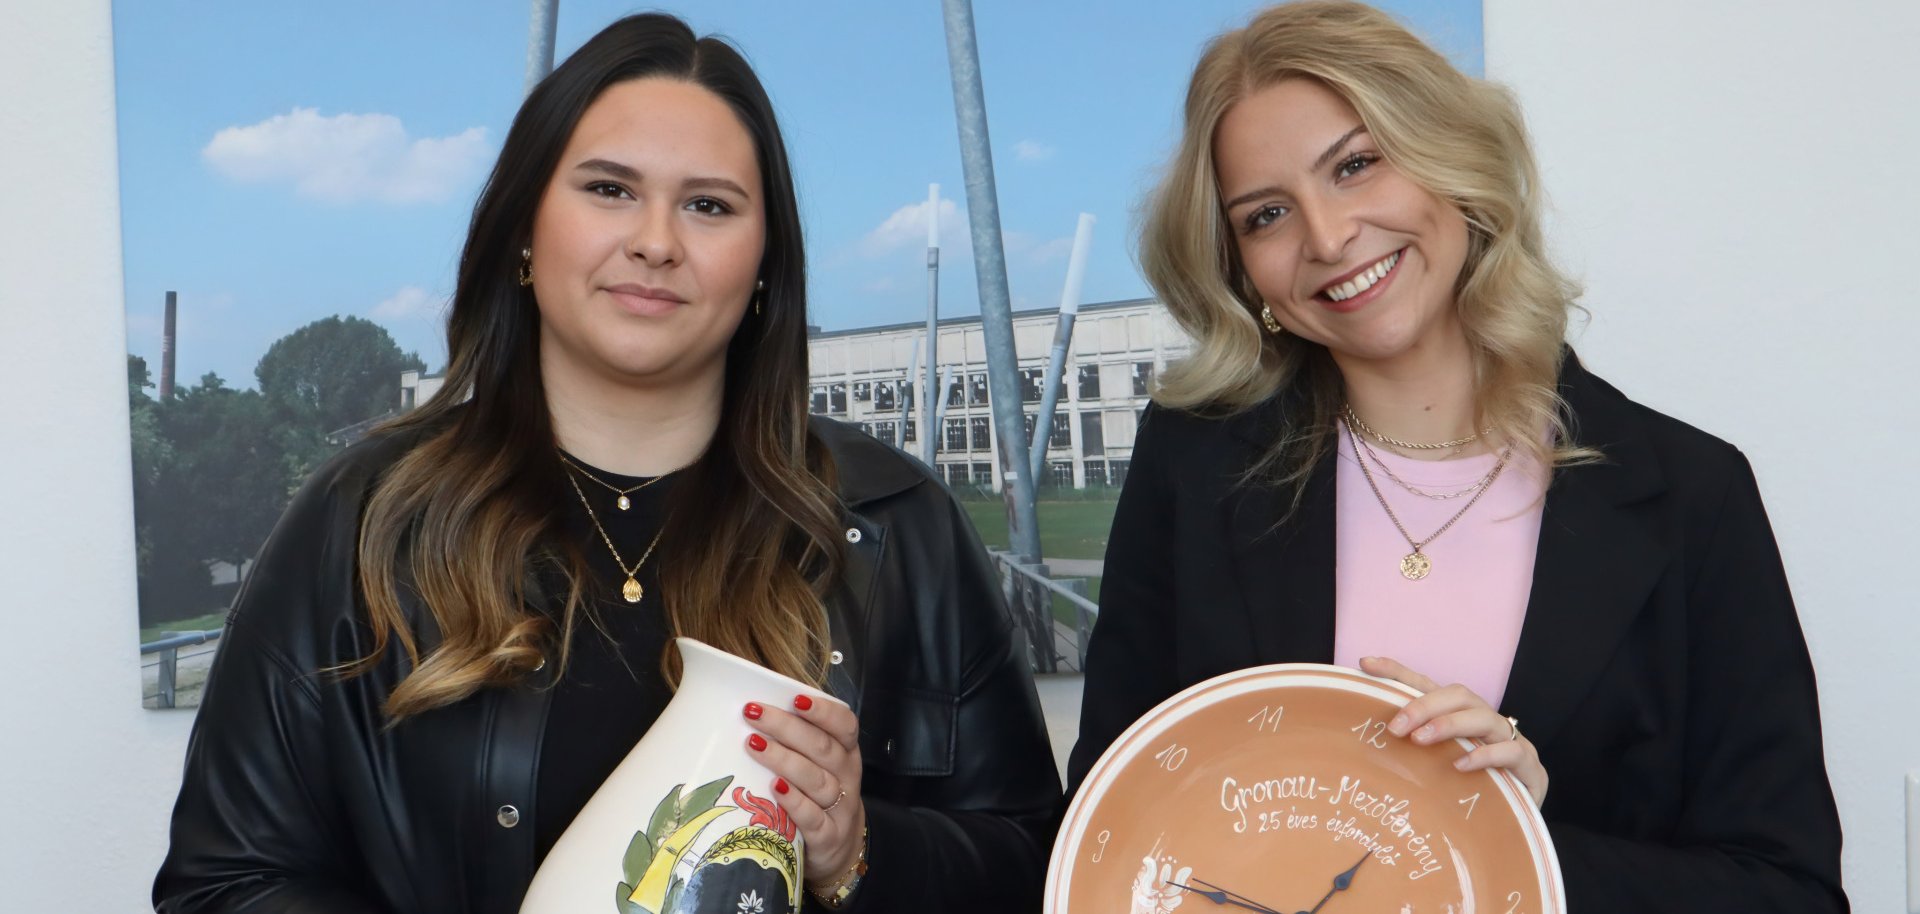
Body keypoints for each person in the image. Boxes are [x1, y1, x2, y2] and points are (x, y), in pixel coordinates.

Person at [153, 14, 1059, 913]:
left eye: (709, 205)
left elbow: (1038, 866)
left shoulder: (898, 523)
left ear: (765, 269)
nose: (656, 241)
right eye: (609, 189)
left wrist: (858, 850)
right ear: (522, 229)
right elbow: (223, 885)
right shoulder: (366, 519)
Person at [1066, 2, 1847, 910]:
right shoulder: (1191, 472)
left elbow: (1791, 892)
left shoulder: (1693, 496)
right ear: (1244, 275)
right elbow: (1108, 828)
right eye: (1267, 215)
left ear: (1454, 166)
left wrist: (1524, 838)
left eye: (1356, 165)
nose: (1326, 238)